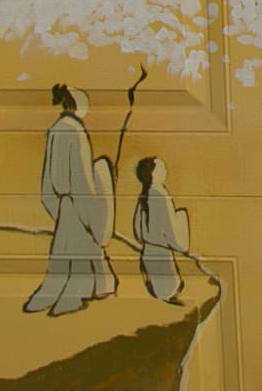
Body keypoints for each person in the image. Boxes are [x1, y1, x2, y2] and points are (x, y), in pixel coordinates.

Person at [25, 83, 117, 316]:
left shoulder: (57, 129)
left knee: (70, 250)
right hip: (76, 200)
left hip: (65, 202)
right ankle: (75, 296)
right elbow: (81, 174)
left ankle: (98, 286)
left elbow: (50, 178)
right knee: (78, 247)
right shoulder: (75, 131)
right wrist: (91, 205)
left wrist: (55, 203)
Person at [130, 155, 190, 305]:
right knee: (168, 289)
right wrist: (181, 218)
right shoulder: (161, 195)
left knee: (159, 289)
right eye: (161, 167)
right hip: (162, 254)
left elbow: (138, 230)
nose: (165, 170)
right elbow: (172, 232)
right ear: (153, 173)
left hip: (148, 253)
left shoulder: (144, 194)